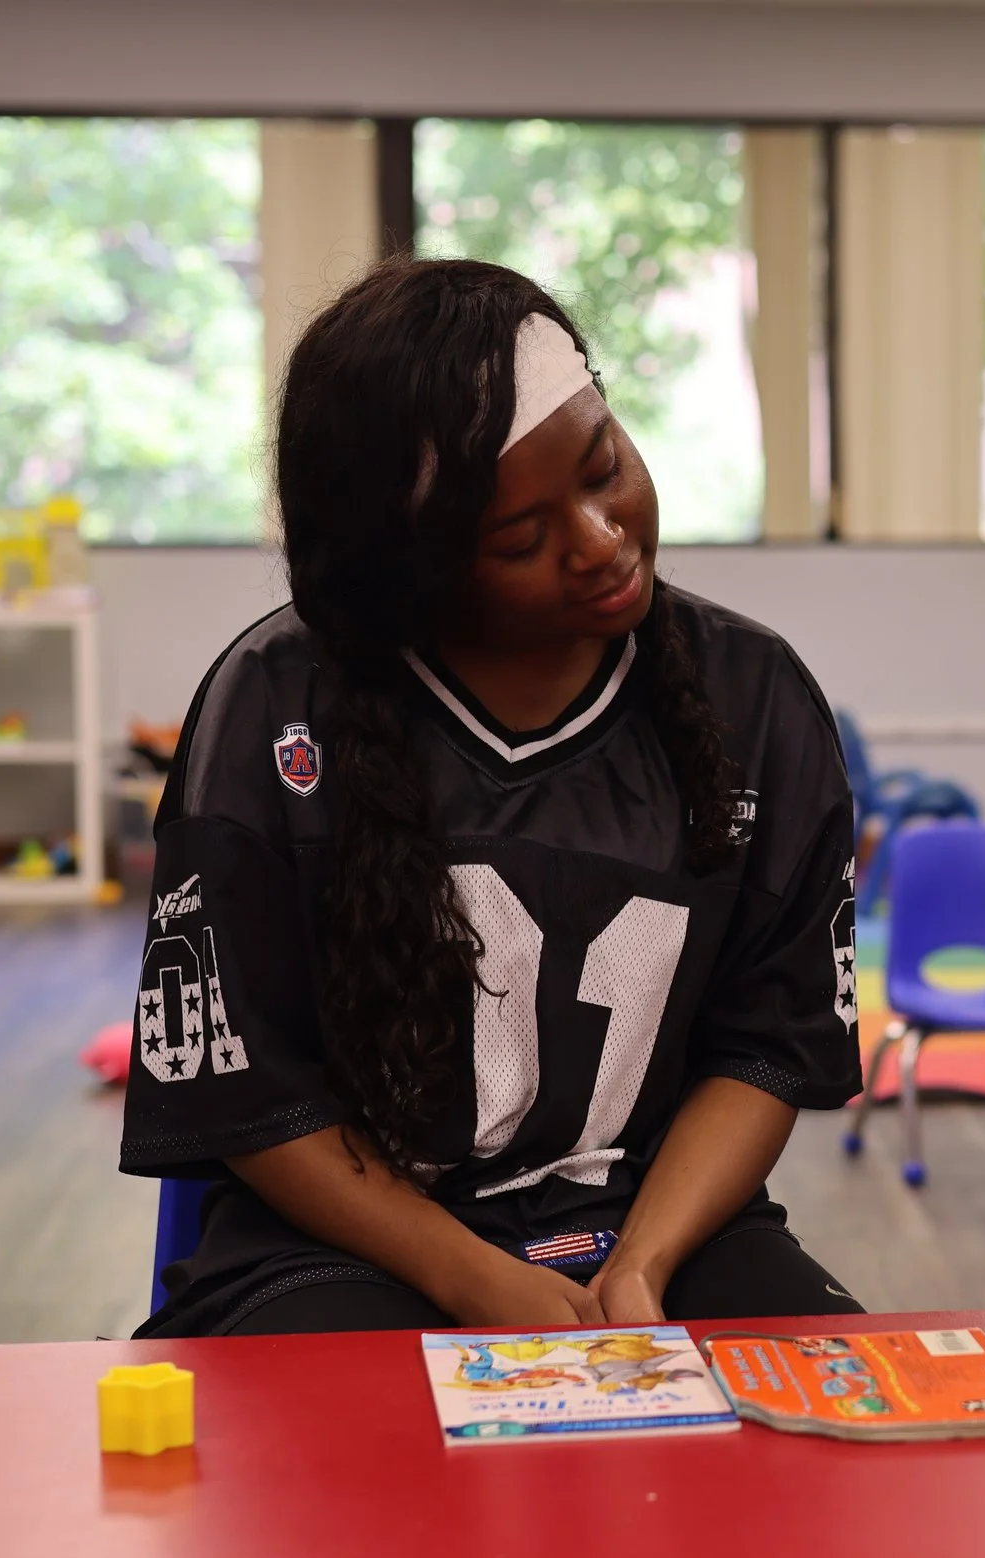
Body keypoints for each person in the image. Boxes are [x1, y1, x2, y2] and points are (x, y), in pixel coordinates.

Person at [121, 260, 866, 1336]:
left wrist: (642, 1264)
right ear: (417, 574)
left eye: (606, 466)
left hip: (665, 1226)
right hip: (346, 1245)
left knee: (836, 1455)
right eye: (522, 538)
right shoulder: (276, 708)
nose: (601, 538)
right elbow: (250, 1091)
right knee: (345, 1477)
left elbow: (767, 1048)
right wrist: (476, 1278)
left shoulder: (753, 698)